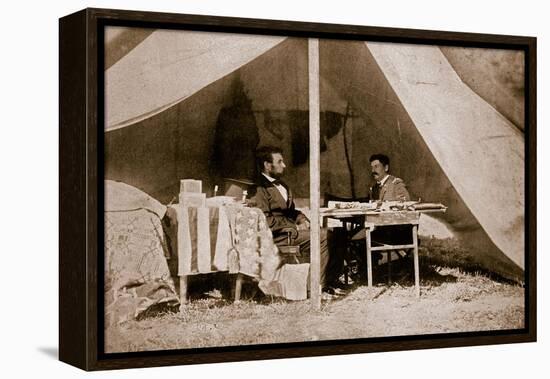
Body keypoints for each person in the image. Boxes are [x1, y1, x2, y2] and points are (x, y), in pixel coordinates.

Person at [250, 145, 345, 296]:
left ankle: (331, 281)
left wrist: (301, 219)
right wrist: (293, 227)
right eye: (279, 162)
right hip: (277, 237)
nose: (284, 165)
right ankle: (316, 289)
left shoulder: (283, 186)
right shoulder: (259, 188)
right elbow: (265, 220)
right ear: (267, 165)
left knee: (339, 234)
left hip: (290, 233)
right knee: (323, 237)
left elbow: (291, 211)